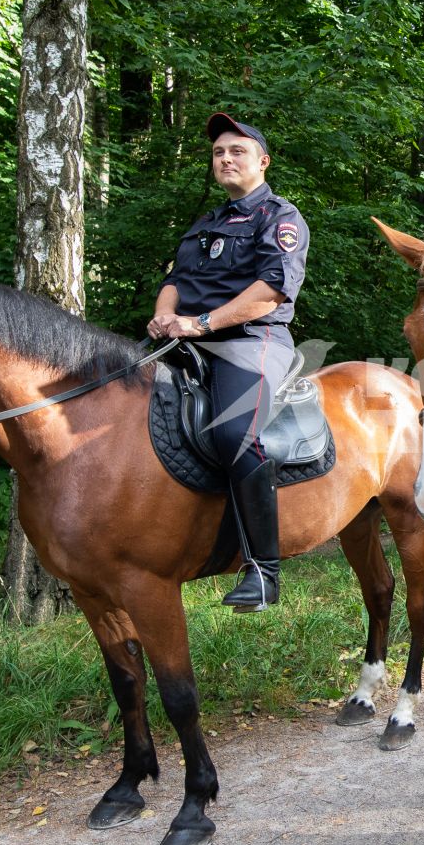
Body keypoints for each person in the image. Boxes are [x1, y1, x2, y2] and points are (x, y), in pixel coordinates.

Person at [149, 113, 310, 610]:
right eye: (218, 152)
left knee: (235, 431)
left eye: (236, 151)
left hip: (251, 338)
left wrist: (201, 324)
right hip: (183, 338)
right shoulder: (206, 222)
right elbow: (176, 280)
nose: (225, 159)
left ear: (262, 161)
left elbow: (269, 292)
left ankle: (263, 571)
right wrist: (163, 316)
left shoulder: (280, 218)